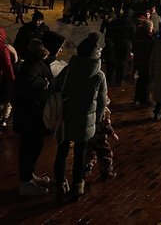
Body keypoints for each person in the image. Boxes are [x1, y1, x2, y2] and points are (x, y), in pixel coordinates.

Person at [53, 32, 108, 202]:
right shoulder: (98, 75)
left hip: (65, 117)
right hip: (86, 120)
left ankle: (60, 184)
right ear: (95, 53)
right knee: (80, 153)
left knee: (61, 153)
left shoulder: (69, 70)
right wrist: (98, 121)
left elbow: (56, 89)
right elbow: (101, 103)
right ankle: (78, 186)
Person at [14, 39, 53, 195]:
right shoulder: (32, 63)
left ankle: (29, 176)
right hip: (30, 114)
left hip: (33, 113)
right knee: (30, 146)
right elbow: (28, 82)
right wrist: (42, 82)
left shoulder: (36, 61)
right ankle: (25, 182)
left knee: (35, 145)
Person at [85, 97, 118, 181]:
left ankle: (87, 168)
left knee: (90, 153)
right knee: (106, 154)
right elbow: (106, 125)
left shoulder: (89, 108)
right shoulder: (103, 112)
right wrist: (112, 133)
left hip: (90, 135)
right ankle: (106, 172)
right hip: (100, 137)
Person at [132, 20, 155, 105]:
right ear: (149, 28)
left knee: (140, 79)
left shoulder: (137, 34)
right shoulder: (148, 37)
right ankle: (145, 98)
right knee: (147, 80)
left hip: (138, 60)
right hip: (146, 61)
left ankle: (137, 98)